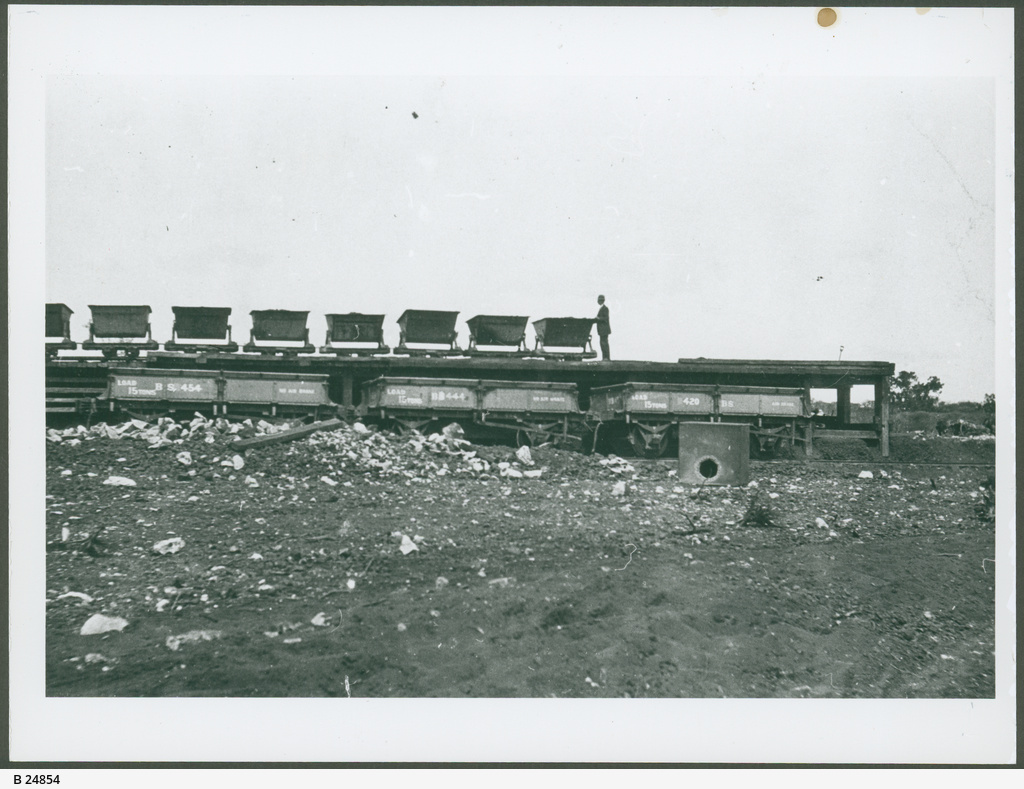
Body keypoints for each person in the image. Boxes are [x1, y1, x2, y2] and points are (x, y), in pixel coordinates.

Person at [596, 294, 611, 361]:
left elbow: (605, 318)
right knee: (603, 343)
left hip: (604, 330)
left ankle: (606, 357)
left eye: (599, 300)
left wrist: (598, 318)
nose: (598, 301)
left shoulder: (605, 308)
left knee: (604, 344)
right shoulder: (602, 308)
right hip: (602, 330)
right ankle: (605, 357)